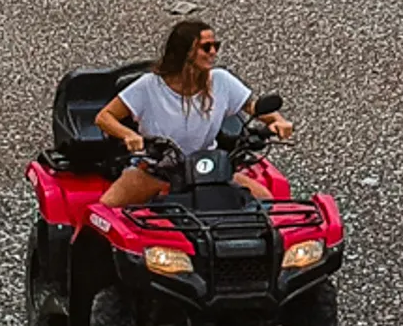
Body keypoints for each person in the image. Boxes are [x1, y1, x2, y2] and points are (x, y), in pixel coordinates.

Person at [95, 18, 292, 211]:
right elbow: (105, 117)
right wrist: (128, 135)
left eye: (216, 46)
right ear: (184, 52)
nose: (213, 52)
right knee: (102, 213)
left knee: (267, 205)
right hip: (155, 171)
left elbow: (254, 107)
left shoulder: (221, 80)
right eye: (206, 47)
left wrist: (277, 120)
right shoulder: (149, 85)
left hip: (209, 172)